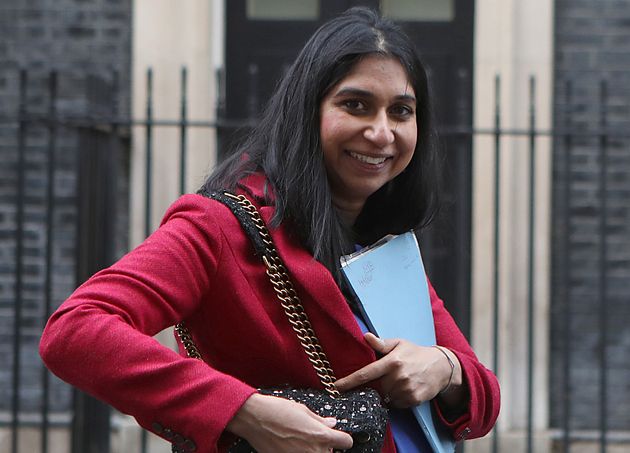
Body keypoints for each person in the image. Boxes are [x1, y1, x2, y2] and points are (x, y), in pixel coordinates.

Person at [40, 7, 500, 453]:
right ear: (307, 111)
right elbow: (76, 330)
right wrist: (245, 412)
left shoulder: (386, 245)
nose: (381, 133)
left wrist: (445, 367)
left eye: (401, 111)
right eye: (355, 105)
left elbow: (485, 399)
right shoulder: (218, 225)